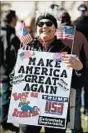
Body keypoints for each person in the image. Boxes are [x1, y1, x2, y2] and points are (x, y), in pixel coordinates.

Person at [19, 12, 85, 133]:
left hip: (54, 109)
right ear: (36, 28)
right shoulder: (26, 49)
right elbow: (15, 75)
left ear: (55, 29)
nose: (44, 26)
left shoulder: (66, 51)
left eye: (49, 24)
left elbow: (77, 84)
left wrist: (79, 69)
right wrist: (15, 83)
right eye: (40, 23)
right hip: (30, 106)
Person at [56, 10, 88, 133]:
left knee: (58, 106)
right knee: (74, 106)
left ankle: (60, 129)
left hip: (57, 78)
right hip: (76, 76)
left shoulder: (54, 34)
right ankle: (76, 130)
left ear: (58, 20)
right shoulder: (80, 35)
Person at [0, 10, 20, 132]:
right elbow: (8, 55)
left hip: (5, 70)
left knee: (7, 96)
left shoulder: (5, 31)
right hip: (7, 71)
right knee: (6, 97)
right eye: (16, 18)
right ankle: (4, 122)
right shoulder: (6, 33)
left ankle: (6, 121)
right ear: (12, 19)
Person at [74, 4, 88, 116]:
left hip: (79, 57)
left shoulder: (74, 23)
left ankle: (82, 107)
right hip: (81, 58)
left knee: (79, 85)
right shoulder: (75, 23)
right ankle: (86, 108)